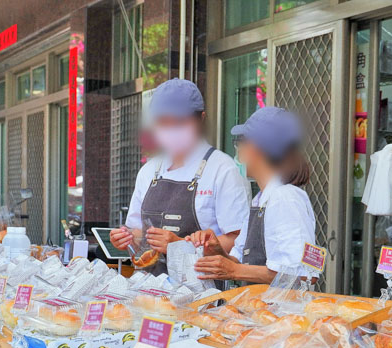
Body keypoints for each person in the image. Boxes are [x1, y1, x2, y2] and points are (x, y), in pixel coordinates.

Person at [109, 79, 249, 275]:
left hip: (202, 293)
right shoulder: (149, 171)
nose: (171, 129)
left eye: (180, 122)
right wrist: (126, 238)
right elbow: (138, 233)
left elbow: (238, 240)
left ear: (201, 118)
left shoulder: (223, 169)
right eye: (163, 123)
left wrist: (181, 246)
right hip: (148, 291)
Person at [189, 107, 315, 284]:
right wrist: (216, 251)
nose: (238, 151)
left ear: (255, 148)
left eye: (240, 143)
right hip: (259, 307)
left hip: (283, 310)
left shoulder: (286, 199)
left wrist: (234, 270)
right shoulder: (261, 200)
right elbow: (240, 261)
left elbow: (301, 274)